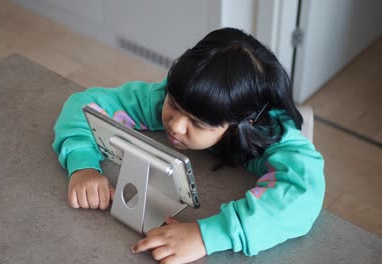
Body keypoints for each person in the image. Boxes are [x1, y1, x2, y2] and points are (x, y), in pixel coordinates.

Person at [52, 27, 325, 263]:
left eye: (199, 122)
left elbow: (302, 194)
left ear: (242, 123)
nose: (176, 125)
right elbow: (84, 107)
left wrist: (206, 236)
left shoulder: (273, 137)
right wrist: (82, 164)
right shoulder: (164, 99)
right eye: (174, 104)